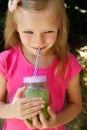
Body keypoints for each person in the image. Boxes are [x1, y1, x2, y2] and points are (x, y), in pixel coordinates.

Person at [0, 0, 82, 130]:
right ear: (16, 26)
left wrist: (57, 121)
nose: (39, 41)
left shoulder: (68, 63)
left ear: (59, 26)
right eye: (28, 32)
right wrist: (11, 110)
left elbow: (76, 104)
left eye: (48, 31)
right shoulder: (5, 61)